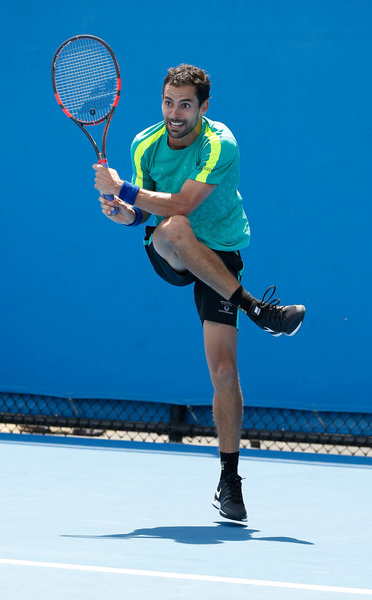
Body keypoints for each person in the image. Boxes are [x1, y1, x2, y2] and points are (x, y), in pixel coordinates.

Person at [93, 64, 305, 523]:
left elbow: (184, 200)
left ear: (204, 107)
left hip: (220, 252)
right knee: (173, 228)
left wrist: (123, 191)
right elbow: (144, 212)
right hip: (169, 249)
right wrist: (121, 211)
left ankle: (230, 483)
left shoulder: (220, 144)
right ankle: (259, 310)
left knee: (225, 371)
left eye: (185, 104)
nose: (175, 113)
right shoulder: (145, 144)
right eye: (168, 102)